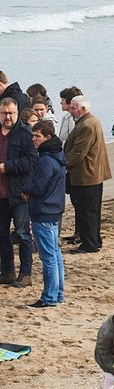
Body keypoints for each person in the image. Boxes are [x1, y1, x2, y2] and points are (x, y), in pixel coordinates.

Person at [24, 119, 66, 307]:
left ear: (47, 137)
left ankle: (50, 297)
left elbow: (39, 187)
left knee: (49, 256)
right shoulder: (57, 154)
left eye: (37, 136)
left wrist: (25, 189)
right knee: (55, 254)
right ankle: (57, 294)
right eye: (33, 135)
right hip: (53, 209)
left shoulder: (47, 159)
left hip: (44, 211)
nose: (33, 139)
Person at [65, 96, 110, 254]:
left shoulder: (87, 125)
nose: (71, 111)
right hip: (91, 174)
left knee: (87, 211)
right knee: (91, 210)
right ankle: (93, 240)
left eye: (73, 108)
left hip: (86, 175)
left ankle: (89, 243)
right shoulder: (90, 122)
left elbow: (78, 152)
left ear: (82, 109)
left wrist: (63, 164)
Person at [0, 97, 36, 287]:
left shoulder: (24, 133)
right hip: (1, 195)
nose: (8, 117)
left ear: (17, 113)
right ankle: (7, 271)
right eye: (4, 113)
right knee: (2, 234)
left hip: (20, 193)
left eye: (11, 113)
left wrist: (7, 167)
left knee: (22, 234)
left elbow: (31, 161)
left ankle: (26, 274)